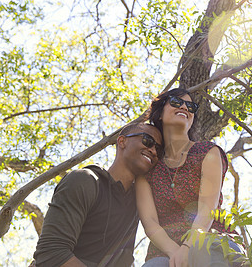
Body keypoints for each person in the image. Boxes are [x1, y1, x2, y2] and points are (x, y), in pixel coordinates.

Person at [32, 122, 163, 267]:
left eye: (159, 149)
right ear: (122, 141)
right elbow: (51, 252)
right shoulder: (85, 180)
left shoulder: (140, 201)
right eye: (147, 141)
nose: (154, 151)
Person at [136, 88, 241, 267]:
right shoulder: (147, 169)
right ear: (160, 112)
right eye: (176, 102)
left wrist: (187, 247)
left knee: (208, 251)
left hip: (210, 237)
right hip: (164, 251)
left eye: (191, 106)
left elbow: (207, 209)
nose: (185, 107)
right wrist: (175, 252)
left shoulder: (208, 152)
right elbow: (150, 222)